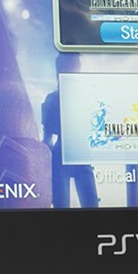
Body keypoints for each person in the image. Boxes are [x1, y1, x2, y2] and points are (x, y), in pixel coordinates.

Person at [42, 52, 99, 208]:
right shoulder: (54, 98)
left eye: (76, 66)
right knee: (65, 203)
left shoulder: (84, 97)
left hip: (79, 155)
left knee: (89, 202)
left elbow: (47, 139)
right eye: (74, 65)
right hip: (65, 155)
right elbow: (47, 139)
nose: (76, 69)